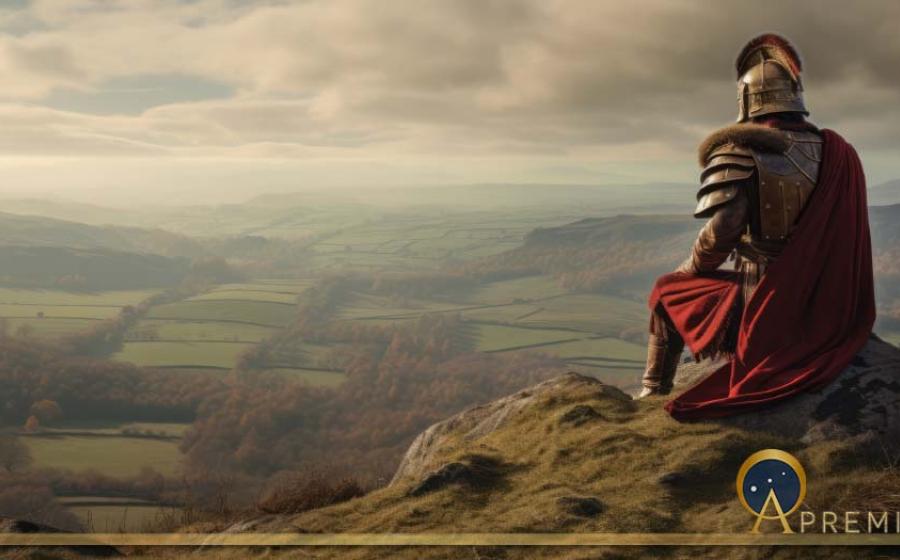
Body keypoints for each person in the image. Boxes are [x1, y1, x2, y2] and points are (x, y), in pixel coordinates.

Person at [636, 34, 875, 421]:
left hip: (763, 297)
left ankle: (651, 393)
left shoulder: (741, 149)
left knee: (667, 292)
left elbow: (724, 230)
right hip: (831, 300)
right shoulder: (839, 151)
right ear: (795, 94)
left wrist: (690, 270)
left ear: (746, 100)